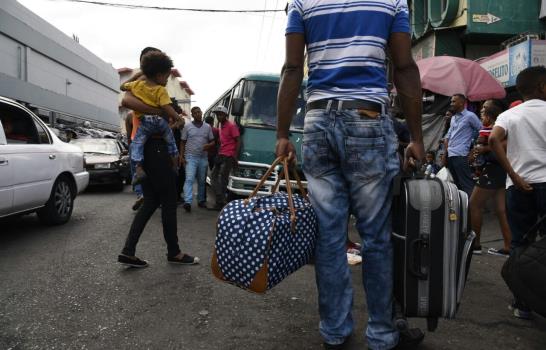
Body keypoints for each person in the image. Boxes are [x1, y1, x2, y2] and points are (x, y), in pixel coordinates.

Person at [276, 1, 425, 349]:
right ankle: (382, 333)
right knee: (375, 236)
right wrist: (417, 138)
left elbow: (293, 67)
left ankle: (335, 331)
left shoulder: (302, 3)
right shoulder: (393, 2)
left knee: (329, 238)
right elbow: (404, 66)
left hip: (316, 123)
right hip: (367, 118)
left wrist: (283, 133)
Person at [489, 66, 546, 320]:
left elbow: (493, 140)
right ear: (542, 87)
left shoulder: (510, 114)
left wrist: (513, 175)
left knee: (520, 242)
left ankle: (522, 302)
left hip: (519, 186)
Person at [118, 90, 199, 267]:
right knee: (169, 203)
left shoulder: (140, 94)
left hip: (147, 152)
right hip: (157, 150)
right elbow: (172, 122)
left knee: (150, 203)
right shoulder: (150, 92)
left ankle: (128, 251)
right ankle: (174, 252)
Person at [120, 51, 182, 184]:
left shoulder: (136, 85)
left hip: (145, 123)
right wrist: (178, 118)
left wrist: (135, 77)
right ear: (159, 75)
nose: (166, 80)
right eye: (166, 77)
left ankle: (138, 168)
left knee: (137, 145)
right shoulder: (160, 90)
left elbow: (122, 87)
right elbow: (167, 107)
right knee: (171, 141)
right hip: (159, 123)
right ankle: (175, 165)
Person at [468, 101, 511, 256]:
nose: (481, 112)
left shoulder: (499, 127)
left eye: (484, 109)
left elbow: (503, 143)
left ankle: (476, 245)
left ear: (492, 113)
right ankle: (508, 247)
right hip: (499, 169)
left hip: (494, 169)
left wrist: (483, 148)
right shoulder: (495, 127)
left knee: (474, 204)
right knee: (501, 209)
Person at [443, 94, 482, 197]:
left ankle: (472, 209)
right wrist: (446, 152)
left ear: (461, 103)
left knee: (467, 185)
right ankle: (463, 209)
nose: (451, 104)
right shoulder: (453, 118)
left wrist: (473, 151)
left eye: (454, 101)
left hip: (461, 155)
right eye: (451, 101)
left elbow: (482, 131)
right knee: (456, 186)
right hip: (451, 155)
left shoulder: (470, 116)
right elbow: (448, 136)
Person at [180, 106, 215, 212]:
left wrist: (208, 145)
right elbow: (182, 142)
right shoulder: (187, 126)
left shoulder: (207, 127)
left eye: (199, 112)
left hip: (203, 158)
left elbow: (213, 141)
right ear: (192, 115)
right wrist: (181, 156)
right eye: (195, 113)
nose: (197, 114)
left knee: (201, 180)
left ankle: (201, 201)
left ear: (202, 113)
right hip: (190, 157)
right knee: (189, 179)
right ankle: (188, 202)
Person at [210, 106, 240, 211]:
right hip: (221, 154)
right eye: (217, 114)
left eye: (221, 114)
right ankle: (221, 199)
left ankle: (220, 202)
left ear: (226, 115)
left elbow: (238, 141)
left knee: (223, 179)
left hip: (228, 156)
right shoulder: (220, 126)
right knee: (213, 177)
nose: (218, 116)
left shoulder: (231, 126)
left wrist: (235, 156)